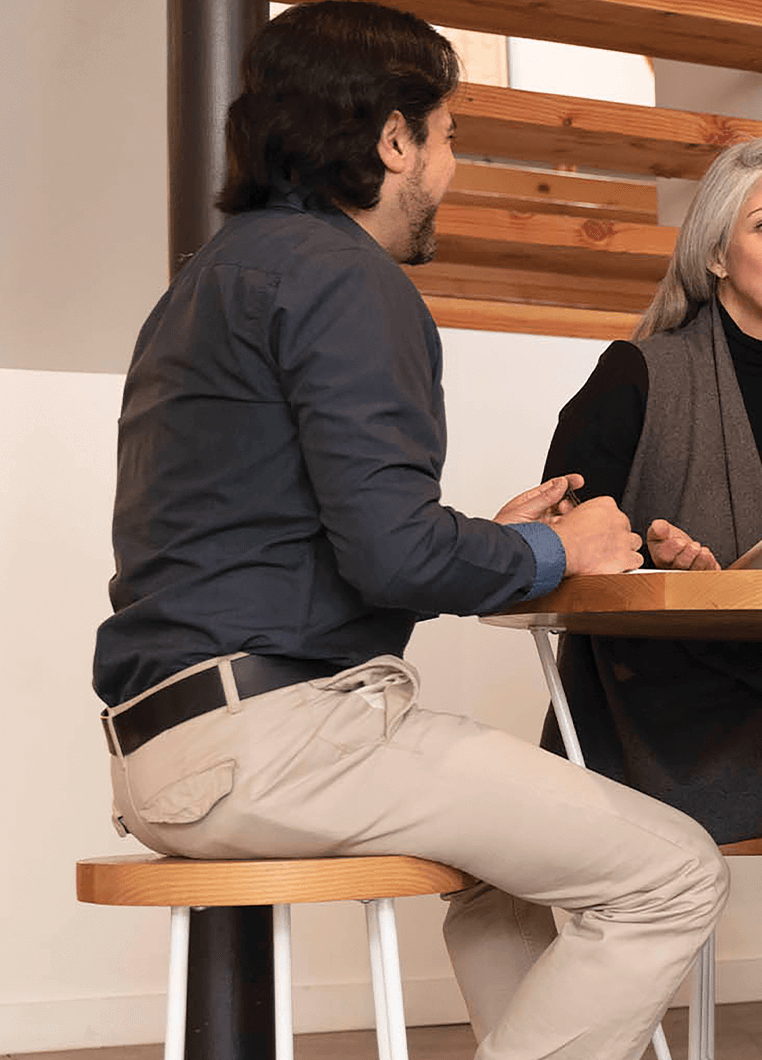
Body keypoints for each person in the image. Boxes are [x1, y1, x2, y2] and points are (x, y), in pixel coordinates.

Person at [91, 5, 726, 1059]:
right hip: (280, 740)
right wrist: (560, 550)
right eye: (449, 137)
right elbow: (390, 556)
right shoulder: (348, 279)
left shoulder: (211, 278)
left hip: (173, 742)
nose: (452, 169)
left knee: (509, 891)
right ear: (393, 140)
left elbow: (299, 530)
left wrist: (489, 536)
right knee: (675, 872)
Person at [540, 137, 762, 844]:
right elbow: (556, 554)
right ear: (714, 255)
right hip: (663, 714)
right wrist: (655, 575)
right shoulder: (634, 374)